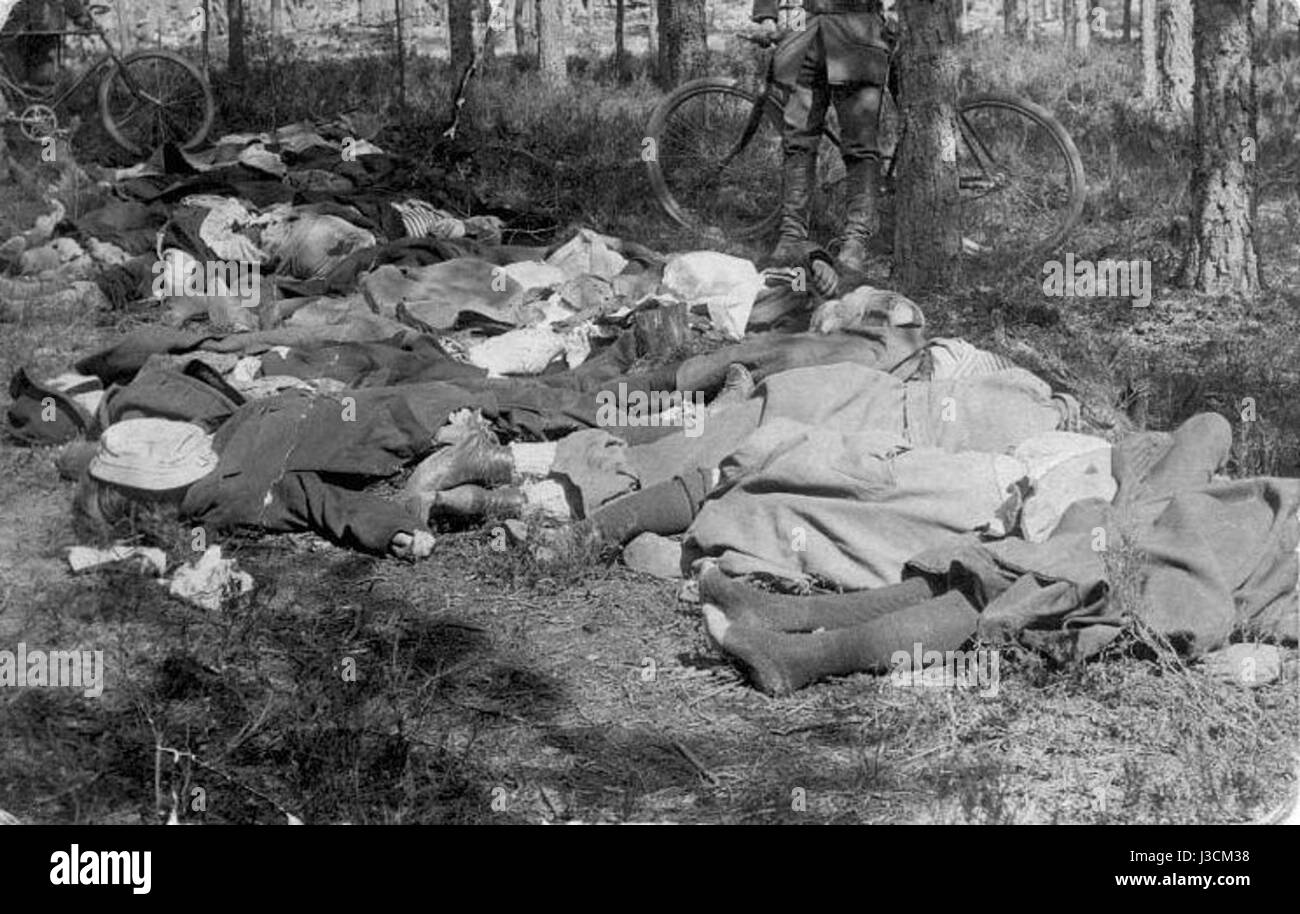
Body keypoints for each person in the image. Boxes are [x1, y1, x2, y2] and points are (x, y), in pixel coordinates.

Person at [750, 0, 894, 274]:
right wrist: (767, 17)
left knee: (860, 147)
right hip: (806, 25)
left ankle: (856, 240)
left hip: (858, 27)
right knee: (797, 143)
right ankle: (792, 235)